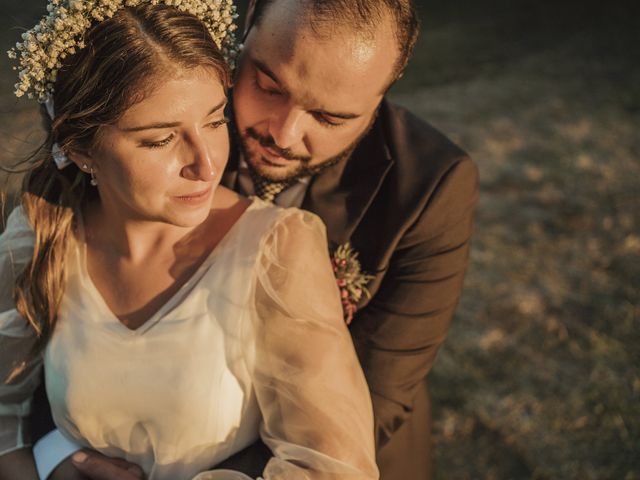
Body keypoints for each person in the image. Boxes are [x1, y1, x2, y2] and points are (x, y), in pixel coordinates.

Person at [24, 0, 479, 478]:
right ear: (248, 28)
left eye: (330, 118)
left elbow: (369, 399)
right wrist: (56, 452)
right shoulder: (180, 102)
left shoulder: (431, 186)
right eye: (268, 86)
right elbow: (47, 330)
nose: (282, 133)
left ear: (383, 93)